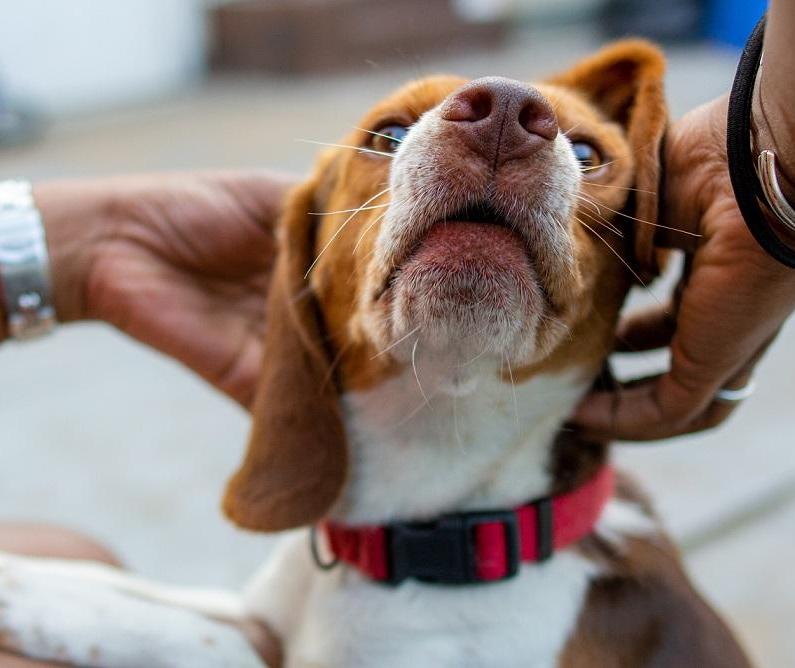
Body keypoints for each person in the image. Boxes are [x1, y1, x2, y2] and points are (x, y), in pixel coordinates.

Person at [1, 1, 794, 664]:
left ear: (630, 267)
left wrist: (772, 162)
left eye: (585, 156)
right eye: (389, 138)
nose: (504, 120)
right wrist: (79, 246)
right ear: (310, 271)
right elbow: (267, 640)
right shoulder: (345, 546)